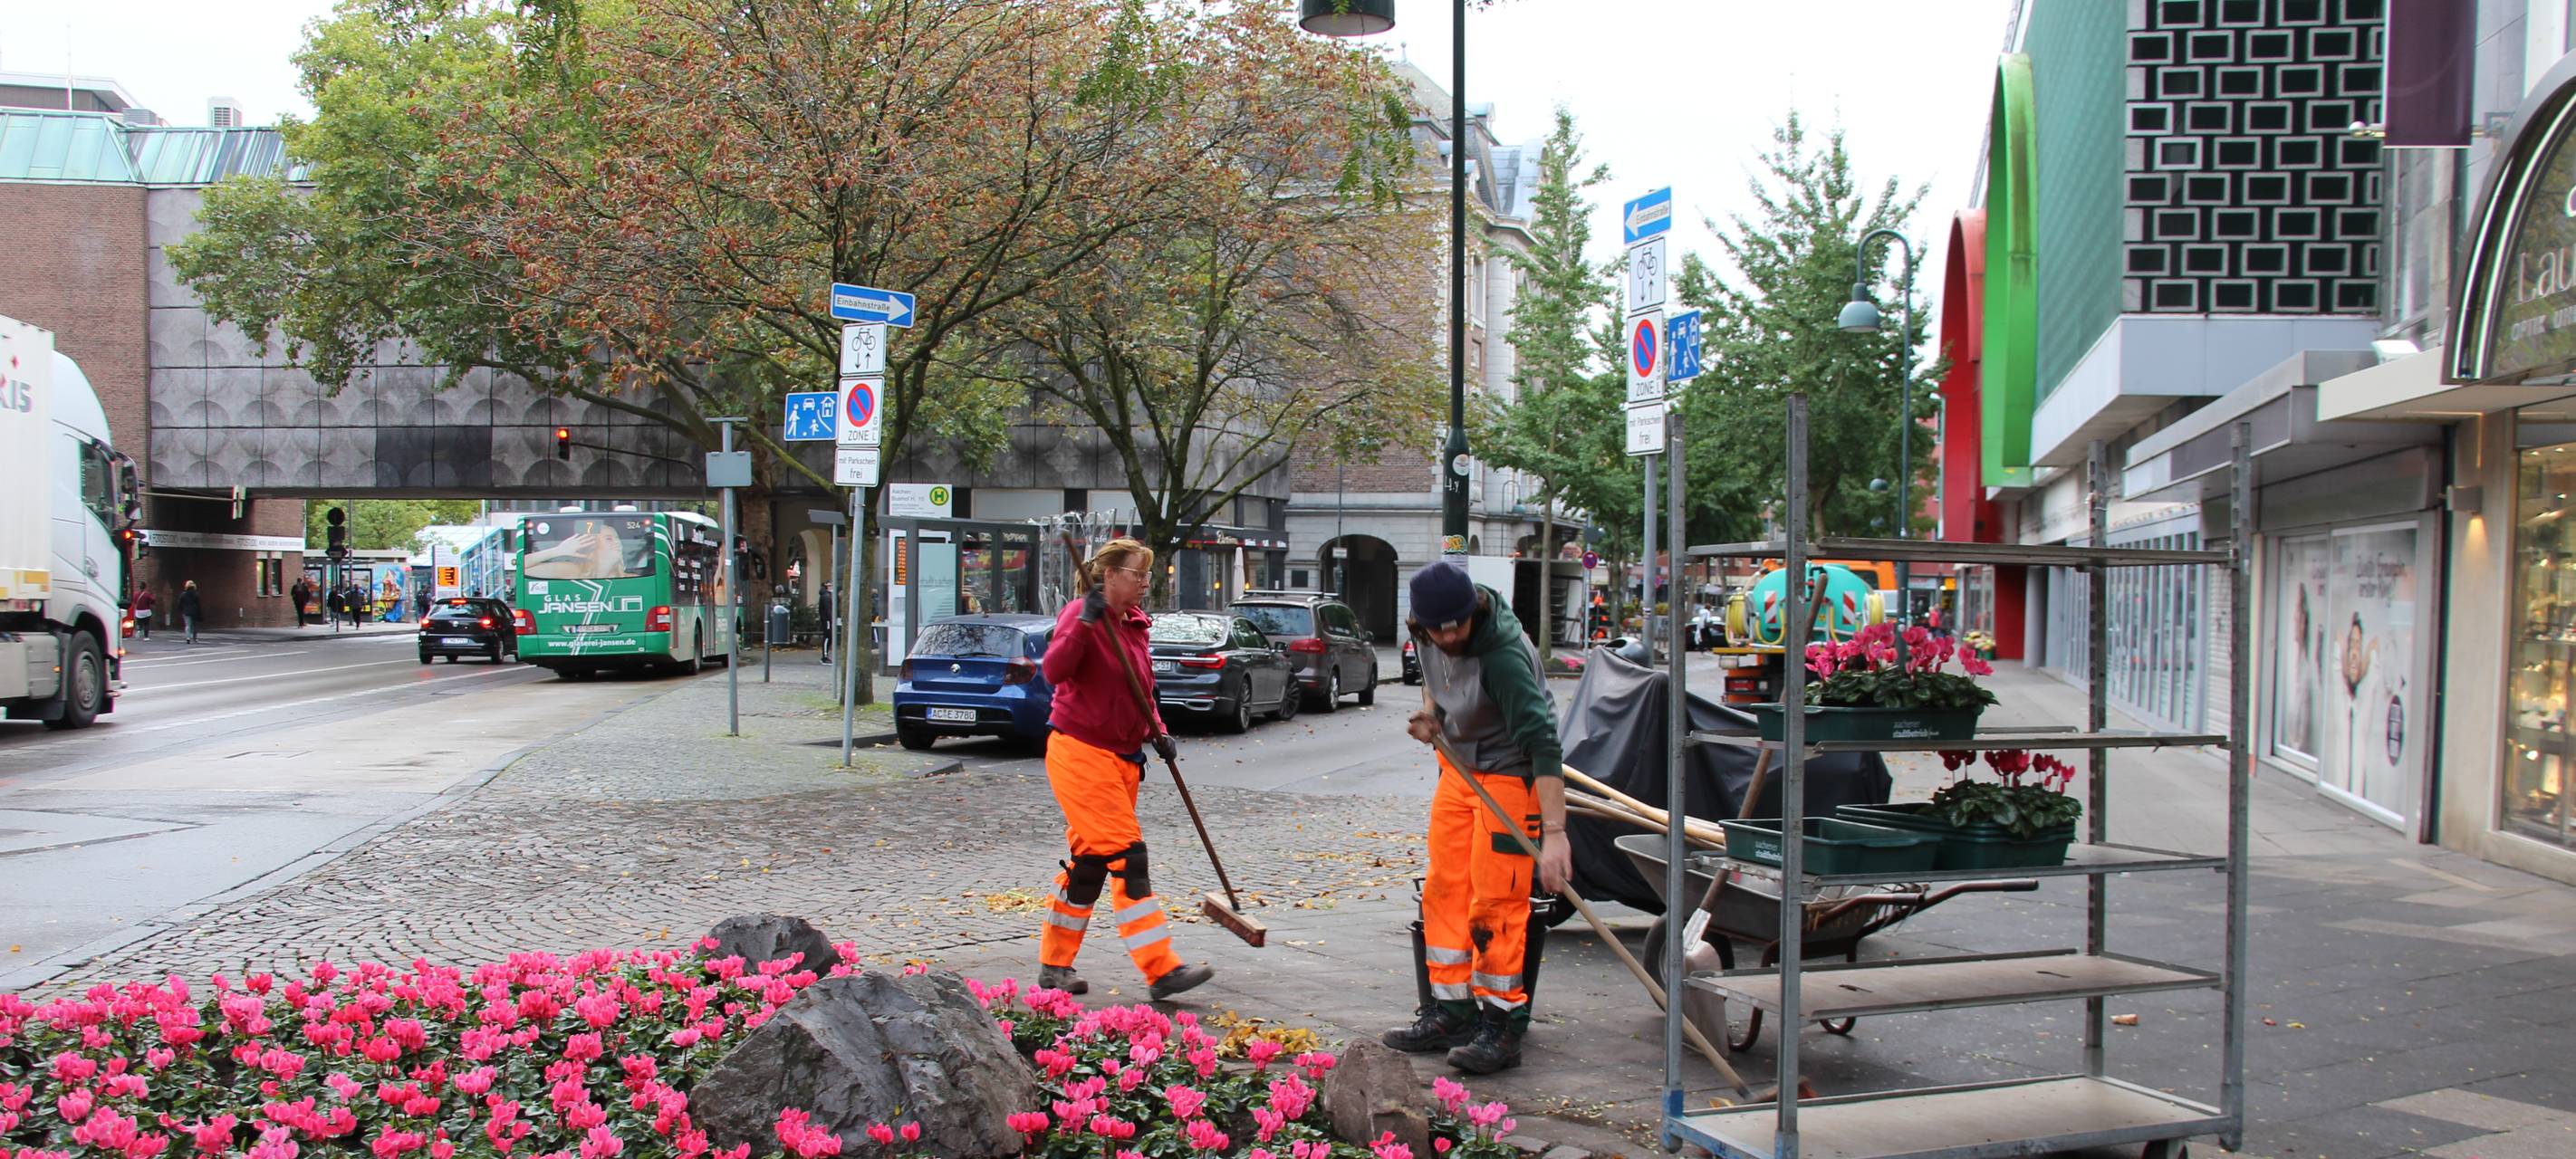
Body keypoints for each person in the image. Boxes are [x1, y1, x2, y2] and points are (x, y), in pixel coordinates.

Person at [1383, 560, 1570, 1075]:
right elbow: (1436, 683)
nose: (1448, 635)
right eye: (1436, 628)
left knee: (1497, 902)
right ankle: (1452, 1010)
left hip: (1511, 779)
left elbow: (1543, 745)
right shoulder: (1426, 631)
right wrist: (1434, 717)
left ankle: (1503, 1026)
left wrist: (1555, 835)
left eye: (1456, 625)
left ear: (1474, 611)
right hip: (1459, 773)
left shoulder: (1503, 655)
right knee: (1445, 889)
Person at [1032, 538, 1216, 1002]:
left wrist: (1158, 729)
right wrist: (1088, 622)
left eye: (1148, 575)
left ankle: (1054, 966)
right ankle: (1161, 969)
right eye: (1138, 574)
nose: (1145, 583)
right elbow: (1054, 672)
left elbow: (1141, 690)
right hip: (1080, 752)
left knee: (1090, 864)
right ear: (1110, 576)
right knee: (1128, 859)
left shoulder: (1134, 625)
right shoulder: (1080, 615)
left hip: (1123, 758)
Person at [178, 580, 204, 644]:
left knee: (187, 625)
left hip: (186, 611)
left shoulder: (183, 594)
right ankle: (195, 638)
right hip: (194, 611)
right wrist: (199, 611)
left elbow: (180, 603)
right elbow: (198, 604)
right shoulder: (196, 594)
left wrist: (181, 610)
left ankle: (188, 638)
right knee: (194, 625)